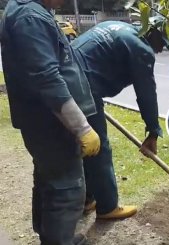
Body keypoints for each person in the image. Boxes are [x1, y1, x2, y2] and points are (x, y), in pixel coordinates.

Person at [1, 0, 100, 244]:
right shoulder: (30, 18)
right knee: (66, 188)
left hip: (43, 120)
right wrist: (82, 127)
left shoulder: (29, 11)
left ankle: (53, 238)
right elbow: (46, 78)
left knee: (48, 181)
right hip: (51, 123)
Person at [71, 17, 169, 219]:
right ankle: (107, 206)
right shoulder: (140, 49)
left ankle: (86, 198)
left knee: (80, 142)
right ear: (152, 34)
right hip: (83, 86)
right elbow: (146, 93)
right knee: (98, 146)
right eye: (161, 44)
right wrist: (153, 131)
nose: (160, 50)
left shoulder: (118, 26)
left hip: (67, 75)